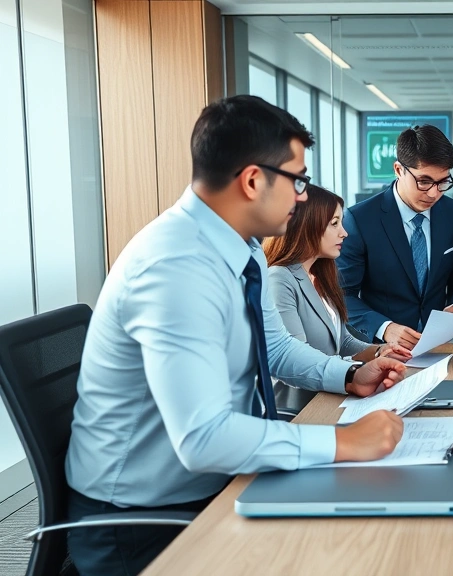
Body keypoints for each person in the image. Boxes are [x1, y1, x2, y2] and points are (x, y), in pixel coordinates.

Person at [64, 95, 406, 576]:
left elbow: (277, 348)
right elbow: (203, 437)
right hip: (143, 525)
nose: (303, 196)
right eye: (297, 181)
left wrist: (352, 375)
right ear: (252, 180)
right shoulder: (177, 266)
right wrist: (343, 443)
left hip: (214, 485)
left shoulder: (237, 250)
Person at [263, 183, 412, 414]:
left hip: (333, 397)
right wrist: (353, 373)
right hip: (301, 409)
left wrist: (379, 351)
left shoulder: (319, 274)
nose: (344, 232)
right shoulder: (279, 279)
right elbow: (293, 355)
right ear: (306, 225)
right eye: (334, 224)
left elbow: (341, 342)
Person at [336, 124, 453, 351]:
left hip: (441, 346)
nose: (434, 193)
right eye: (424, 181)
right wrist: (385, 327)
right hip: (382, 350)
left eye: (443, 182)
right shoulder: (360, 219)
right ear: (398, 169)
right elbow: (342, 294)